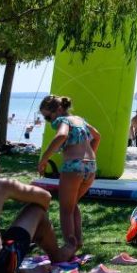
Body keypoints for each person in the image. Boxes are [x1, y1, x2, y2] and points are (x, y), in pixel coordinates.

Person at [37, 94, 100, 255]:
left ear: (58, 110)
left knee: (65, 210)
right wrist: (89, 156)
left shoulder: (63, 121)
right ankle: (77, 242)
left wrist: (44, 159)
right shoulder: (80, 120)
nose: (48, 121)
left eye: (48, 117)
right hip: (90, 167)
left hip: (73, 167)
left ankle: (69, 247)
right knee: (72, 205)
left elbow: (62, 135)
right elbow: (97, 136)